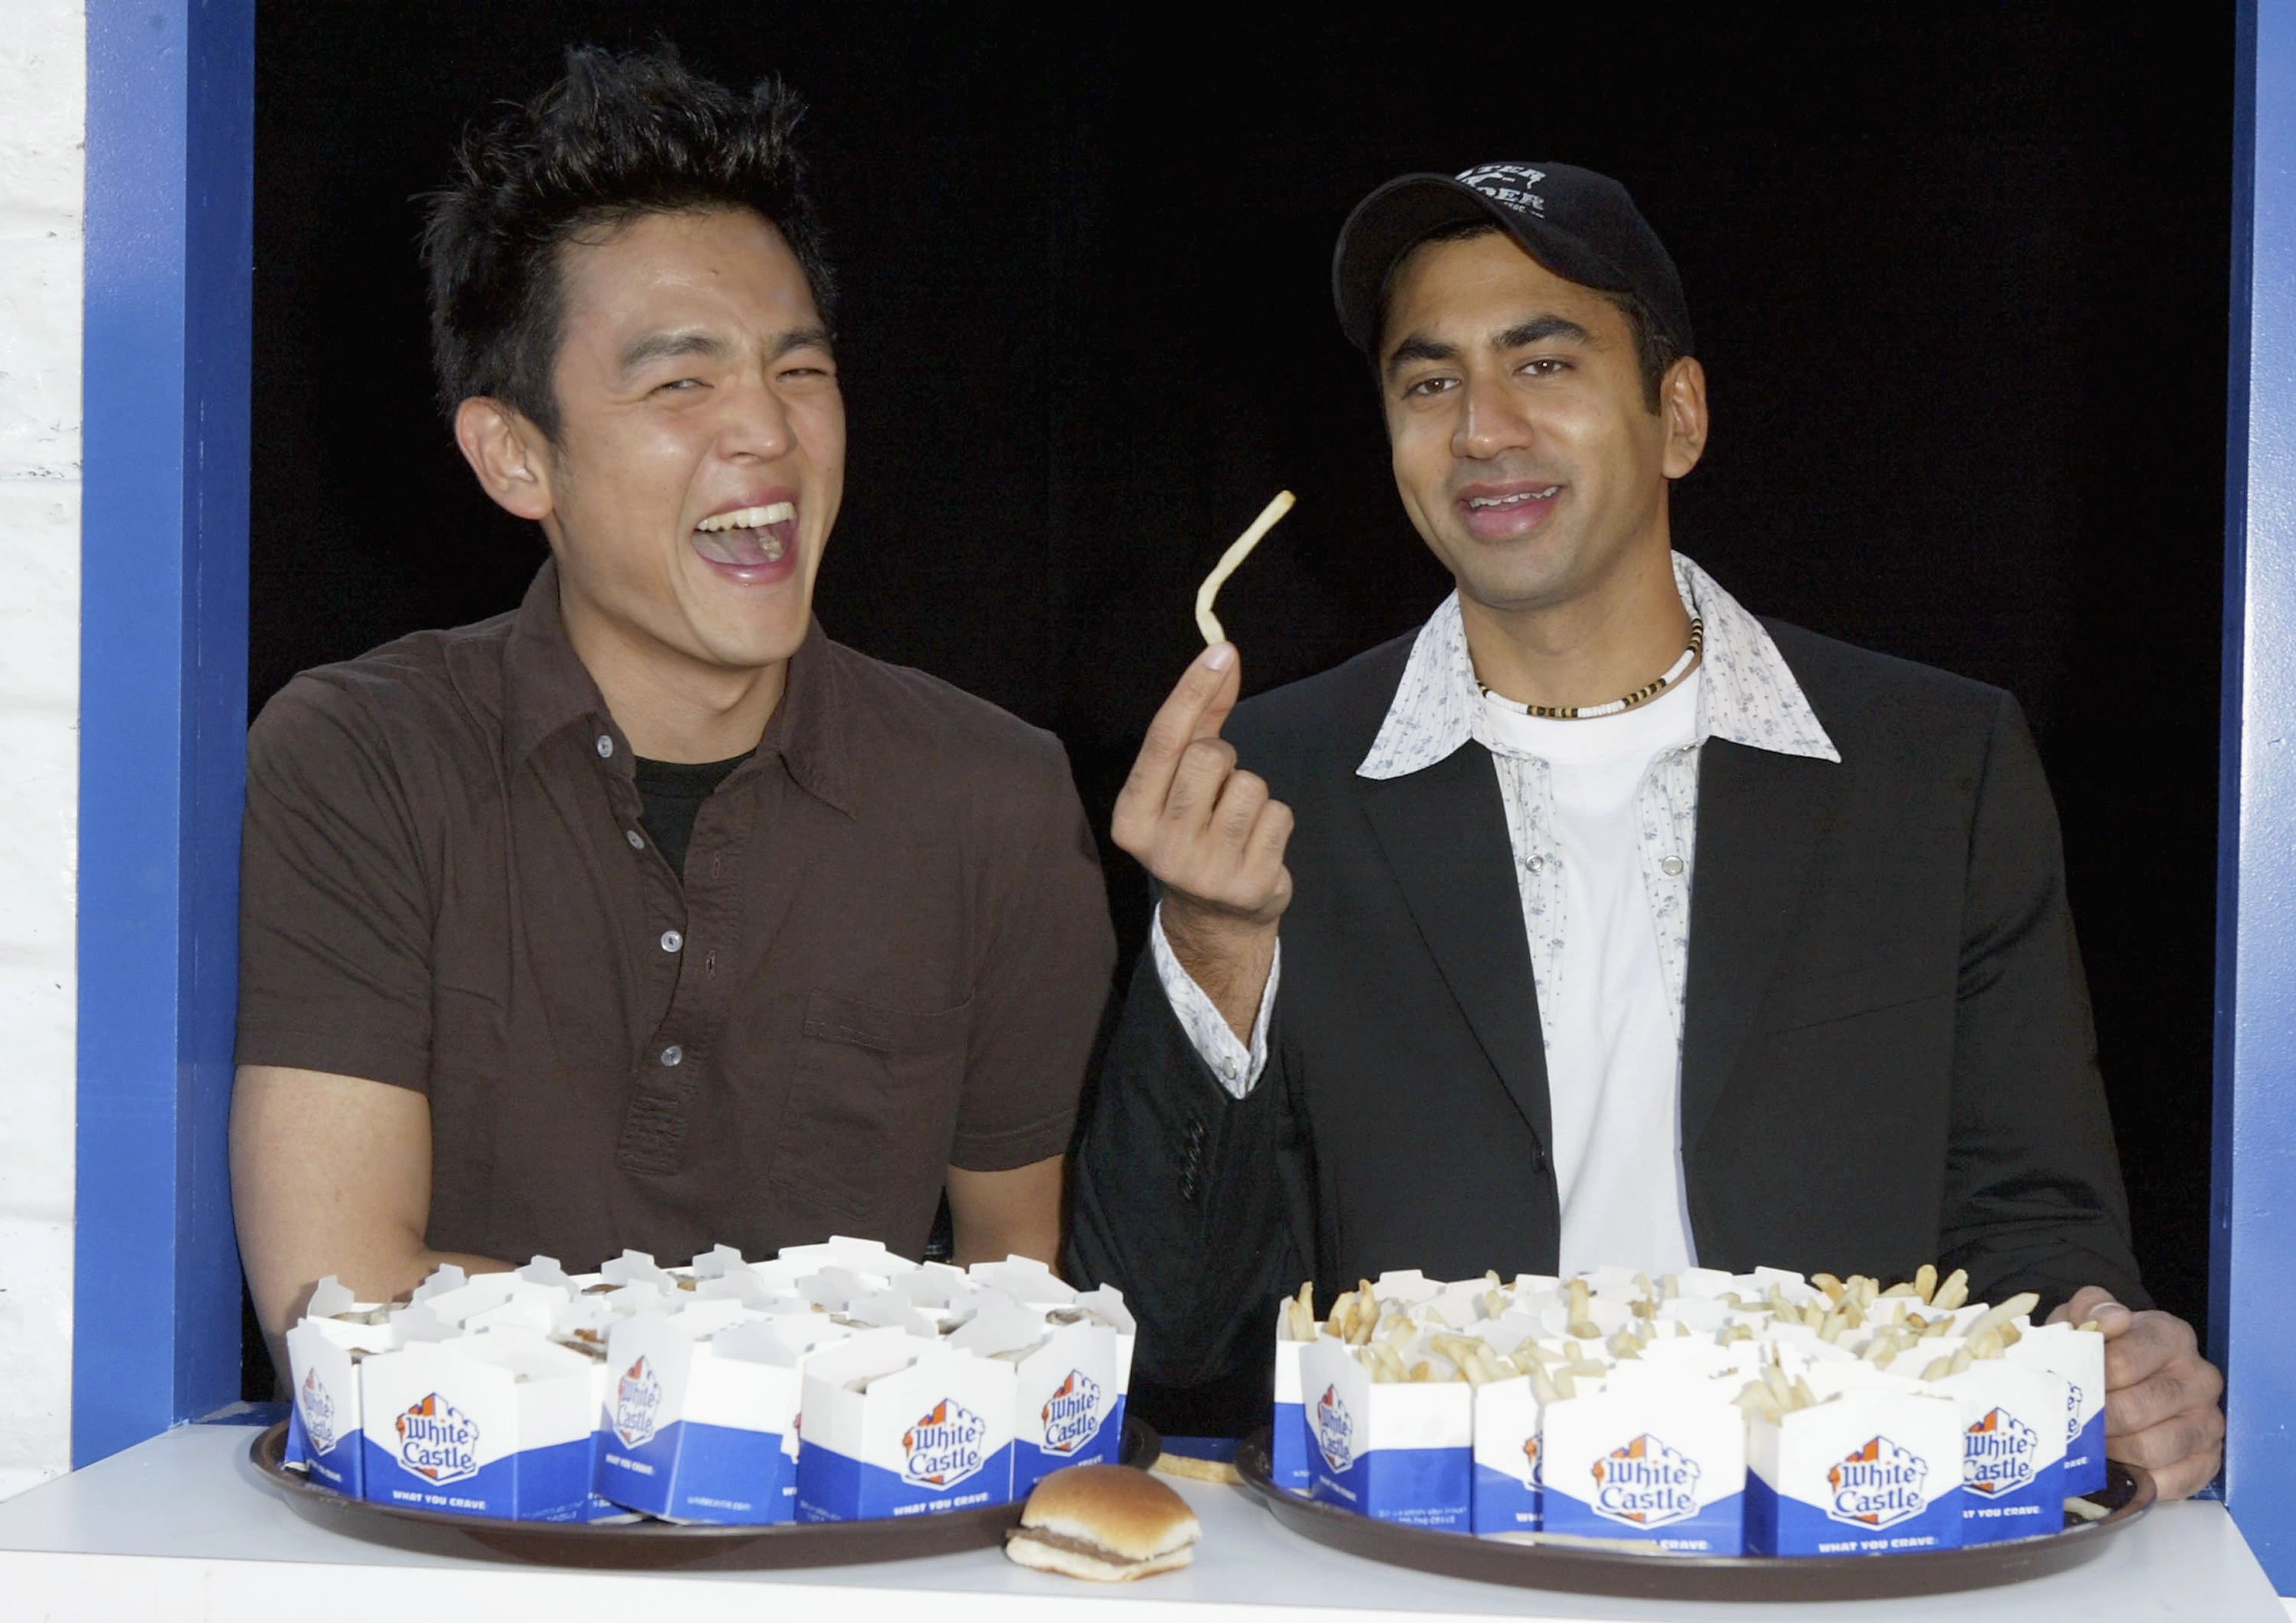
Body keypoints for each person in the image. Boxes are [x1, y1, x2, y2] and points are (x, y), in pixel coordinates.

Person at [1068, 161, 2225, 1497]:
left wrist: (2103, 1361)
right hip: (1426, 1554)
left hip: (1825, 1542)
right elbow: (1169, 1330)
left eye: (1544, 364)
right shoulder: (1272, 783)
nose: (1483, 429)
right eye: (1428, 381)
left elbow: (2033, 1224)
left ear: (1677, 414)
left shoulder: (1932, 766)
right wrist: (1210, 940)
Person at [231, 48, 1115, 1357]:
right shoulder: (362, 757)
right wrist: (796, 1360)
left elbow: (1015, 1298)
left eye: (799, 371)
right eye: (681, 381)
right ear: (516, 454)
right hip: (455, 1551)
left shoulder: (992, 793)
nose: (766, 428)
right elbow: (342, 1297)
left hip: (847, 1555)